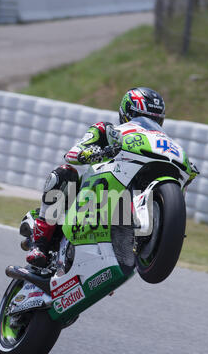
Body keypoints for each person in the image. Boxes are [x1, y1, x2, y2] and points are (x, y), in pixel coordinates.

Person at [22, 87, 167, 268]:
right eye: (141, 117)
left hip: (119, 207)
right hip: (90, 198)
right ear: (127, 114)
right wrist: (92, 152)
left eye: (154, 119)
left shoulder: (157, 146)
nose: (148, 123)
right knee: (63, 173)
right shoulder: (106, 130)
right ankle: (40, 245)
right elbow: (72, 154)